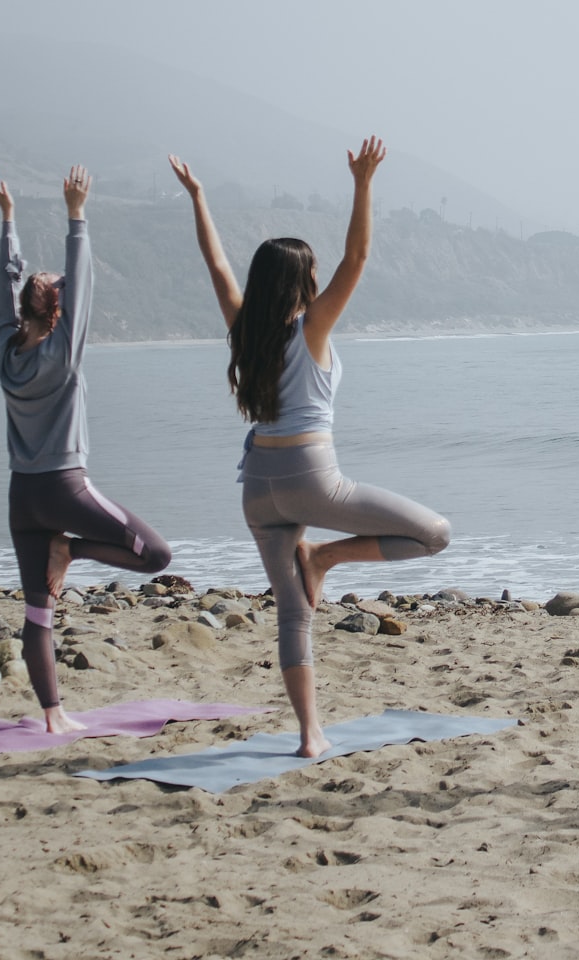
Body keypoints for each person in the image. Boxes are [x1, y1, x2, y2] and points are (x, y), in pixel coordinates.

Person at [169, 139, 451, 759]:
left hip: (256, 491)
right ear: (304, 280)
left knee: (292, 616)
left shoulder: (245, 330)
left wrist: (198, 198)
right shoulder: (312, 327)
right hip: (310, 479)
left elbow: (216, 267)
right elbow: (359, 256)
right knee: (434, 534)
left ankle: (309, 735)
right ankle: (323, 557)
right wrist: (363, 182)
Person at [0, 166, 173, 734]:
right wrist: (76, 215)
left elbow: (6, 281)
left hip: (23, 497)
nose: (59, 286)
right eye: (56, 289)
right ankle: (72, 552)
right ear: (58, 312)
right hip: (66, 490)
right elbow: (82, 278)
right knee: (156, 556)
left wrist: (9, 221)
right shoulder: (65, 353)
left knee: (37, 612)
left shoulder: (4, 347)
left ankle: (53, 715)